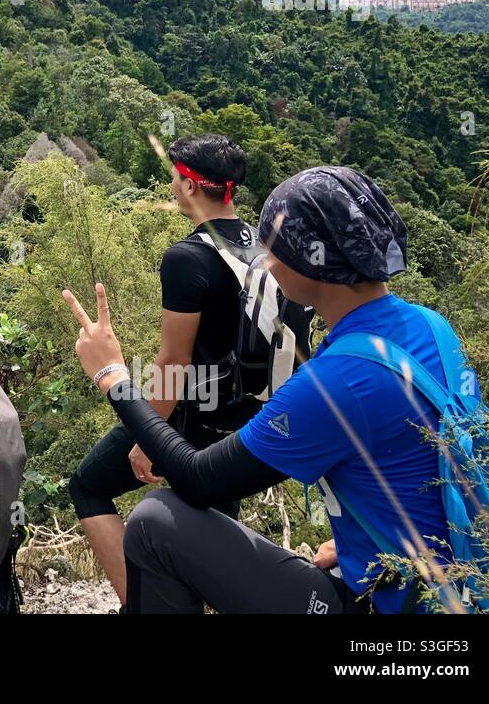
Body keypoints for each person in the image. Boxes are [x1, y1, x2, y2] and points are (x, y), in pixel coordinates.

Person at [63, 166, 459, 614]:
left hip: (380, 605)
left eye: (274, 250)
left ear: (309, 263)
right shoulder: (432, 328)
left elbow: (197, 479)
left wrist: (112, 376)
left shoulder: (335, 381)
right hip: (456, 582)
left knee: (154, 521)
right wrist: (359, 541)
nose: (265, 263)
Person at [68, 134, 270, 607]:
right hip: (241, 428)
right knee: (210, 542)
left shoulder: (187, 258)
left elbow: (172, 362)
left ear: (193, 187)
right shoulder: (265, 249)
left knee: (89, 485)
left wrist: (147, 437)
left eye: (176, 179)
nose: (173, 187)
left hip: (187, 423)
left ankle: (140, 604)